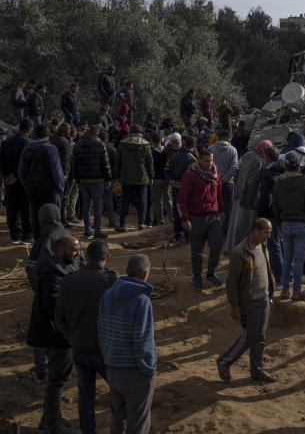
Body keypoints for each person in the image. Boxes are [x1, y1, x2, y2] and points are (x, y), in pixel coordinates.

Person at [55, 240, 118, 434]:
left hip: (80, 348)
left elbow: (59, 318)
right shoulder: (111, 280)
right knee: (119, 393)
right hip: (105, 350)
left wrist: (70, 337)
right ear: (107, 258)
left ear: (86, 257)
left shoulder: (68, 281)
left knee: (86, 397)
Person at [28, 234, 81, 434]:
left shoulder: (60, 269)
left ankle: (49, 419)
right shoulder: (53, 277)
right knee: (57, 381)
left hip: (57, 334)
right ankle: (53, 425)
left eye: (78, 250)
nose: (77, 254)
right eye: (73, 250)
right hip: (56, 336)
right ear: (60, 251)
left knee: (57, 379)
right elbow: (56, 310)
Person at [99, 253, 156, 434]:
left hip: (113, 368)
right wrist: (148, 369)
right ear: (145, 273)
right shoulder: (142, 301)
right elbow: (143, 340)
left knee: (117, 417)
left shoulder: (107, 295)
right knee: (137, 422)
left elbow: (101, 330)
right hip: (135, 372)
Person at [218, 218, 278, 384]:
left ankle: (257, 370)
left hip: (264, 300)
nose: (268, 236)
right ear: (256, 231)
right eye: (266, 233)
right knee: (250, 337)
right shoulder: (240, 252)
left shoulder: (262, 246)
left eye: (269, 233)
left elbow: (266, 271)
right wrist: (235, 306)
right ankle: (225, 361)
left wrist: (269, 295)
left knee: (260, 338)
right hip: (250, 303)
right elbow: (232, 282)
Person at [177, 148, 225, 290]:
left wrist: (221, 210)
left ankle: (211, 273)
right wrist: (185, 219)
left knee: (217, 245)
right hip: (196, 217)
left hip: (213, 216)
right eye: (207, 161)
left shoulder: (215, 173)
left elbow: (219, 193)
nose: (210, 163)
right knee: (197, 250)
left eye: (211, 160)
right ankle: (197, 276)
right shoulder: (190, 175)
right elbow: (181, 199)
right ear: (199, 160)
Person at [273, 152, 305, 300]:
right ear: (298, 166)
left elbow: (276, 206)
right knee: (299, 260)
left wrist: (279, 224)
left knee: (287, 259)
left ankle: (285, 290)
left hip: (285, 224)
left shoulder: (279, 182)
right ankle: (296, 291)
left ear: (285, 166)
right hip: (302, 225)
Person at [18, 123, 65, 239]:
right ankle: (51, 241)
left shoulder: (27, 148)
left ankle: (38, 240)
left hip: (33, 187)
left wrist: (27, 185)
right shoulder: (50, 148)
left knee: (35, 214)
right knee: (52, 216)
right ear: (48, 134)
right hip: (49, 189)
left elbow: (21, 170)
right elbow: (57, 171)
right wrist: (61, 188)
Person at [226, 139, 273, 251]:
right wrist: (255, 200)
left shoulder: (248, 155)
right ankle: (242, 252)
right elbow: (252, 183)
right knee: (245, 227)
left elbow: (237, 172)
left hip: (238, 194)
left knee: (235, 225)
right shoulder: (259, 162)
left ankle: (231, 248)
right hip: (247, 199)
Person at [1, 119, 34, 243]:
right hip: (25, 181)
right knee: (26, 207)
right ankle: (28, 235)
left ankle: (15, 235)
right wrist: (17, 175)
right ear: (29, 129)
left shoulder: (7, 142)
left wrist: (8, 175)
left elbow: (2, 161)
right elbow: (29, 164)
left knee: (12, 208)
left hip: (10, 181)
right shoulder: (30, 143)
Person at [116, 124, 154, 231]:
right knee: (142, 201)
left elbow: (118, 162)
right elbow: (150, 163)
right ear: (140, 133)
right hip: (142, 177)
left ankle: (122, 224)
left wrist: (117, 175)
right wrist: (151, 176)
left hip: (126, 177)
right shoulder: (145, 145)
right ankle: (141, 223)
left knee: (125, 201)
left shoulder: (122, 144)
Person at [256, 146, 285, 281]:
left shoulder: (267, 174)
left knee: (274, 247)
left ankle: (279, 277)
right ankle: (287, 274)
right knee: (283, 245)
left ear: (266, 158)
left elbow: (265, 198)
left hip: (270, 214)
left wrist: (260, 213)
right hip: (282, 213)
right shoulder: (282, 170)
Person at [167, 134, 198, 243]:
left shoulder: (174, 155)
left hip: (175, 187)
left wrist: (171, 180)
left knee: (177, 209)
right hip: (188, 189)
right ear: (194, 146)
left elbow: (167, 169)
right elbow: (196, 174)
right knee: (187, 210)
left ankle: (178, 234)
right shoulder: (193, 157)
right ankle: (188, 236)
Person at [210, 129, 239, 235]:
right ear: (228, 138)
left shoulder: (211, 149)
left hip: (213, 183)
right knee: (228, 209)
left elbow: (208, 165)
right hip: (228, 184)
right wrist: (224, 179)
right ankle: (226, 232)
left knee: (214, 207)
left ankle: (214, 231)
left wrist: (217, 179)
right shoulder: (233, 150)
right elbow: (234, 167)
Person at [148, 133, 170, 227]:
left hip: (155, 179)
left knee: (157, 202)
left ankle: (160, 221)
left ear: (152, 141)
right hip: (166, 179)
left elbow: (149, 166)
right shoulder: (167, 152)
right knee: (168, 200)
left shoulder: (151, 152)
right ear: (161, 140)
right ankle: (172, 219)